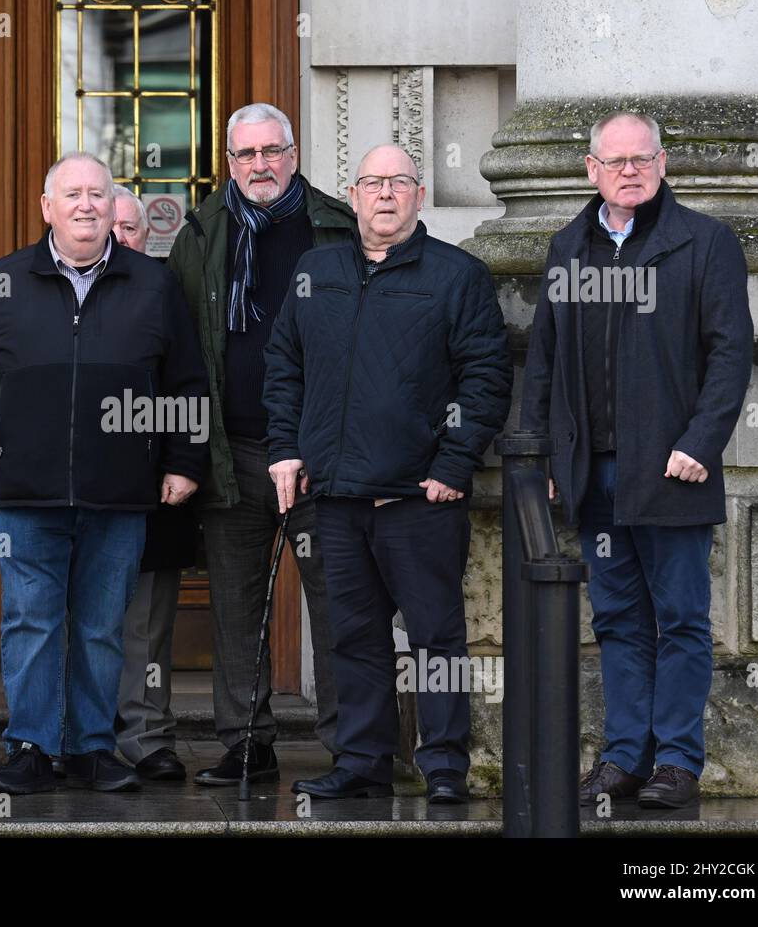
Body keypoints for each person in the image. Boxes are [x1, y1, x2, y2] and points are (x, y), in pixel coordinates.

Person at [0, 152, 209, 795]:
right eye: (72, 194)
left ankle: (90, 748)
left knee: (100, 625)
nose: (86, 205)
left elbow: (187, 381)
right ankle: (30, 746)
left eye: (98, 194)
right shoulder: (3, 283)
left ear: (115, 208)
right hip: (25, 495)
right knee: (30, 623)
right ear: (47, 208)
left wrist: (184, 461)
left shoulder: (153, 283)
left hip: (121, 493)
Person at [263, 144, 512, 802]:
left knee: (435, 638)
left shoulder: (456, 276)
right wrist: (285, 448)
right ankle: (363, 761)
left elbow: (486, 379)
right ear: (353, 193)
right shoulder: (315, 270)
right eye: (373, 182)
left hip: (418, 498)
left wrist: (454, 463)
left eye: (398, 183)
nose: (385, 194)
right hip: (336, 496)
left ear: (418, 195)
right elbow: (283, 364)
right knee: (354, 637)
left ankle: (446, 767)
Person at [521, 112, 753, 809]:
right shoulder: (569, 247)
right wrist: (545, 451)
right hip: (593, 473)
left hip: (671, 467)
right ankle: (625, 756)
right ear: (590, 169)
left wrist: (699, 443)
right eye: (615, 160)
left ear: (663, 163)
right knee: (617, 619)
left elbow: (730, 354)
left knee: (680, 617)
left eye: (642, 158)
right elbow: (546, 358)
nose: (630, 170)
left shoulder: (704, 243)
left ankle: (677, 763)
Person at [166, 102, 357, 786]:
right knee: (236, 605)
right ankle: (247, 742)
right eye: (245, 155)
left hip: (322, 451)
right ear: (229, 163)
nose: (259, 165)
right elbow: (182, 345)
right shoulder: (202, 230)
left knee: (339, 600)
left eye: (271, 151)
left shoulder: (338, 226)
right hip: (235, 448)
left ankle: (353, 745)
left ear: (294, 154)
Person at [111, 184, 198, 781]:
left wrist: (184, 462)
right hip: (63, 493)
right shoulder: (40, 286)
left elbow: (190, 382)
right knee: (64, 621)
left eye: (129, 228)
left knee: (146, 626)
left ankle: (146, 736)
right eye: (108, 225)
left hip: (152, 490)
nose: (118, 238)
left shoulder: (165, 289)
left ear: (147, 236)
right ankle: (70, 737)